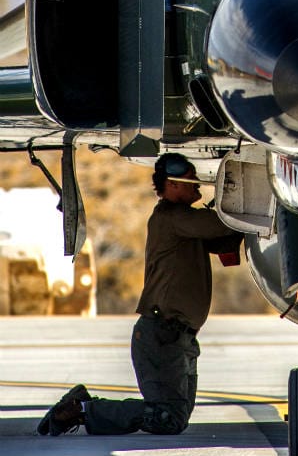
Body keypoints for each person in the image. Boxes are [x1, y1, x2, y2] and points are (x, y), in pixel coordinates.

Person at [37, 152, 242, 437]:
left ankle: (84, 406)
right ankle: (82, 409)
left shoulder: (184, 225)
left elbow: (224, 236)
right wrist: (249, 209)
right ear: (171, 186)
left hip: (176, 336)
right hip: (163, 335)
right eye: (189, 182)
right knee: (166, 418)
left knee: (174, 418)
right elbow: (223, 224)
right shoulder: (173, 218)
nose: (197, 186)